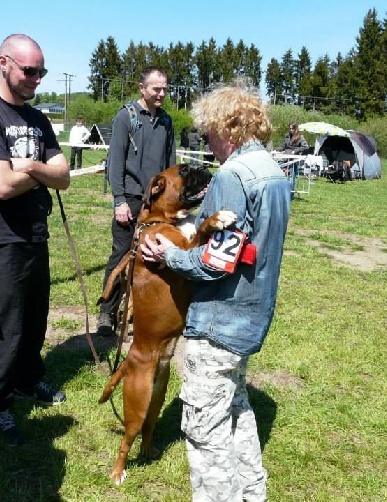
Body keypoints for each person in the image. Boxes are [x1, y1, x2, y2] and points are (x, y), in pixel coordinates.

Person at [140, 84, 290, 501]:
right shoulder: (274, 171)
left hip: (220, 321)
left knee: (204, 429)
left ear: (228, 127)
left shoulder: (233, 176)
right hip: (252, 316)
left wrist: (170, 255)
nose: (205, 141)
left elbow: (215, 262)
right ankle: (251, 494)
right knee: (236, 409)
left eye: (207, 132)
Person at [0, 34, 70, 445]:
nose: (36, 79)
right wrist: (39, 173)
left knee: (34, 318)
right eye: (29, 70)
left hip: (34, 235)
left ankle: (26, 380)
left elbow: (65, 178)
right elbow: (1, 185)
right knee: (1, 328)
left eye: (41, 71)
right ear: (4, 63)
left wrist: (32, 164)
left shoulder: (39, 120)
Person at [96, 66, 175, 335]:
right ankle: (107, 313)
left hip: (156, 203)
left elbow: (170, 165)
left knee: (153, 257)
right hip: (129, 199)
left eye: (165, 88)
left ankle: (145, 312)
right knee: (121, 256)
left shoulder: (166, 121)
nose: (162, 93)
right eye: (156, 88)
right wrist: (118, 200)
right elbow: (115, 162)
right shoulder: (125, 117)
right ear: (143, 89)